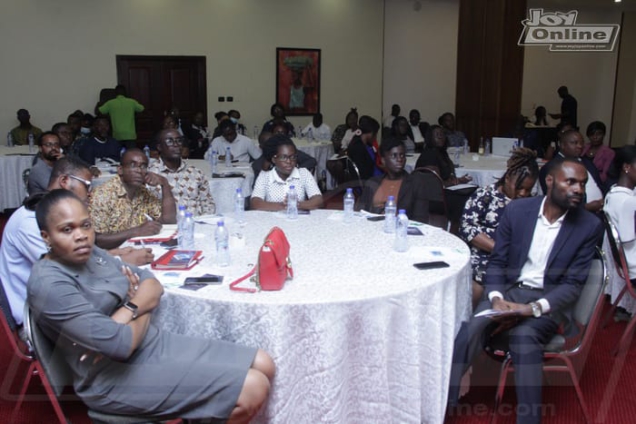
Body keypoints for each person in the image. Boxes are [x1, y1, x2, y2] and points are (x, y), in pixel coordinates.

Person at [27, 189, 274, 422]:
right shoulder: (50, 284)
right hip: (109, 377)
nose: (81, 235)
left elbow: (151, 282)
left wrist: (129, 309)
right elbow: (121, 345)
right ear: (46, 236)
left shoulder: (90, 253)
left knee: (264, 363)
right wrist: (140, 304)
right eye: (67, 229)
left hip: (149, 344)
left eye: (86, 225)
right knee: (252, 387)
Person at [448, 157, 604, 424]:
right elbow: (498, 261)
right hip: (508, 293)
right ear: (550, 181)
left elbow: (572, 286)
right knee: (471, 329)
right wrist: (496, 298)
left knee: (524, 338)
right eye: (571, 182)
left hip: (548, 302)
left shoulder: (588, 226)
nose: (579, 189)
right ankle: (443, 403)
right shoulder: (518, 211)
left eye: (582, 183)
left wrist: (530, 309)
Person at [0, 156, 153, 329]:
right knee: (137, 304)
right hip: (39, 320)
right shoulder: (29, 221)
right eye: (87, 185)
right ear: (65, 181)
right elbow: (73, 269)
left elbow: (76, 256)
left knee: (136, 301)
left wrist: (114, 253)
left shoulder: (55, 215)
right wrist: (121, 261)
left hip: (68, 300)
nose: (90, 193)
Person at [460, 148, 539, 306]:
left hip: (516, 261)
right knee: (479, 285)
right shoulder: (485, 196)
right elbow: (467, 228)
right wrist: (500, 250)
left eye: (528, 189)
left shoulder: (530, 205)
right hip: (484, 256)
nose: (523, 193)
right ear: (508, 178)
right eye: (519, 187)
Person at [89, 148, 176, 249]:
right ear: (120, 170)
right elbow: (96, 240)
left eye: (143, 166)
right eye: (133, 165)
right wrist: (136, 232)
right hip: (110, 254)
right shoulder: (102, 195)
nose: (139, 170)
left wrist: (164, 184)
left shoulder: (143, 192)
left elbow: (168, 221)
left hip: (136, 250)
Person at [356, 137, 429, 223]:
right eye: (394, 156)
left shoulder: (415, 183)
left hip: (401, 229)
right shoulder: (372, 182)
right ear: (383, 160)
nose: (399, 159)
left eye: (402, 155)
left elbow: (420, 219)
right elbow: (360, 212)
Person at [148, 129, 215, 216]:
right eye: (170, 141)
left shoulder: (196, 173)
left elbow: (208, 204)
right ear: (159, 147)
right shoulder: (150, 174)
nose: (176, 144)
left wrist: (204, 221)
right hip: (164, 223)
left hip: (196, 222)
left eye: (179, 140)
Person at [539, 129, 605, 215]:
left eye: (582, 143)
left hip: (600, 213)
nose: (580, 146)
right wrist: (586, 207)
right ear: (562, 145)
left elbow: (600, 185)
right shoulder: (552, 167)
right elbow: (553, 200)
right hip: (575, 216)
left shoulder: (587, 162)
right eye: (575, 143)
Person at [251, 134, 323, 211]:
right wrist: (284, 206)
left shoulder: (303, 173)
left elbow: (319, 200)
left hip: (297, 217)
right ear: (274, 159)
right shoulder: (265, 176)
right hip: (273, 218)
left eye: (293, 157)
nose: (289, 161)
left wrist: (297, 204)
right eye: (283, 157)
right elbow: (255, 203)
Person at [604, 146, 636, 281]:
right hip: (632, 267)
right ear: (626, 167)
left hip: (620, 264)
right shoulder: (628, 202)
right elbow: (628, 240)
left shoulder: (612, 192)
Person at [252, 130, 317, 180]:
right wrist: (264, 172)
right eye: (268, 144)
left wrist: (294, 170)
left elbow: (312, 161)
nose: (272, 145)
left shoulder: (288, 152)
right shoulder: (257, 165)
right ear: (261, 146)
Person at [346, 116, 382, 181]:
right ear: (371, 133)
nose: (375, 137)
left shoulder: (364, 144)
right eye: (376, 134)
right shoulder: (357, 147)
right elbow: (364, 172)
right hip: (367, 181)